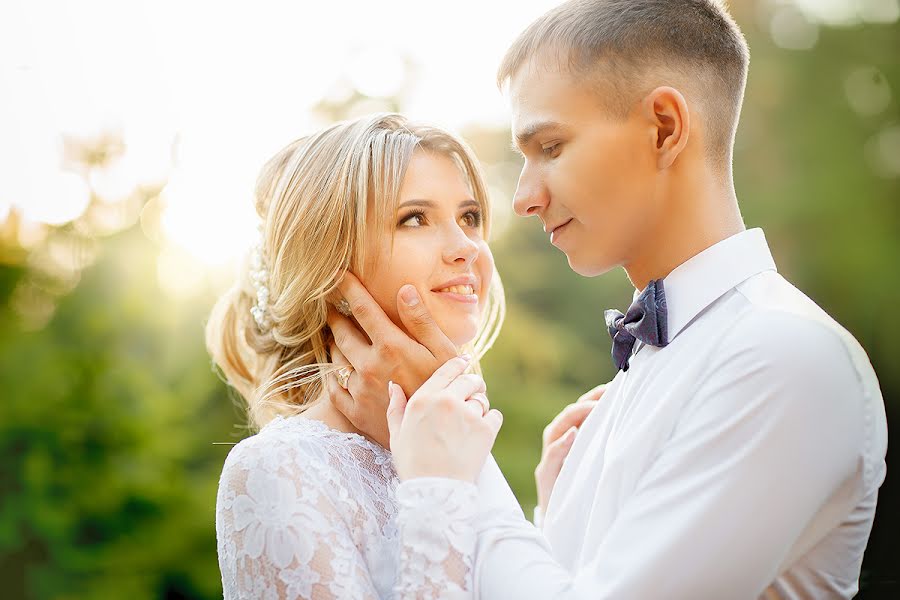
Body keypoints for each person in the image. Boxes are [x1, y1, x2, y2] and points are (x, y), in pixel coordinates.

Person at [326, 1, 889, 597]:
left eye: (550, 147)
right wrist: (547, 518)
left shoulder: (783, 356)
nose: (522, 198)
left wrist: (459, 459)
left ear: (664, 127)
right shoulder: (618, 396)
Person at [208, 113, 532, 598]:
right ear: (331, 262)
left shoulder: (460, 435)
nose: (467, 247)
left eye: (469, 217)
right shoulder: (278, 469)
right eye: (415, 218)